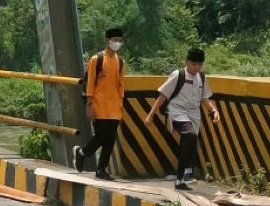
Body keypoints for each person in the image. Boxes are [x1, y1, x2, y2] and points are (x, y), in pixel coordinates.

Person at [143, 48, 220, 190]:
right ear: (186, 62)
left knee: (190, 141)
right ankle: (186, 173)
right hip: (177, 111)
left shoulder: (202, 78)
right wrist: (150, 115)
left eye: (199, 65)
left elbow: (204, 97)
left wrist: (214, 111)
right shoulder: (178, 75)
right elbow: (163, 95)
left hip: (194, 114)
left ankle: (180, 179)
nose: (196, 67)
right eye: (193, 64)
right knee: (189, 135)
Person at [74, 27, 126, 180]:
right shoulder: (97, 59)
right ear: (107, 41)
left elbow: (121, 86)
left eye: (119, 40)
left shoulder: (121, 62)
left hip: (115, 107)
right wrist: (89, 105)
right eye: (114, 40)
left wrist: (121, 107)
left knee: (110, 140)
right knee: (101, 136)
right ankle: (82, 153)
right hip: (99, 105)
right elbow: (89, 83)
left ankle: (101, 169)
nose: (117, 43)